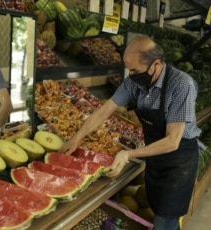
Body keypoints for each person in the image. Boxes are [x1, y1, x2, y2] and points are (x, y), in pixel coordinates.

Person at [61, 36, 200, 230]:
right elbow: (104, 111)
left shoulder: (181, 85)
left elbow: (172, 141)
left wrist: (128, 154)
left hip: (179, 161)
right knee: (159, 212)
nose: (131, 74)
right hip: (155, 157)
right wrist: (77, 137)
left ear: (156, 64)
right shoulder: (134, 82)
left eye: (134, 70)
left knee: (164, 221)